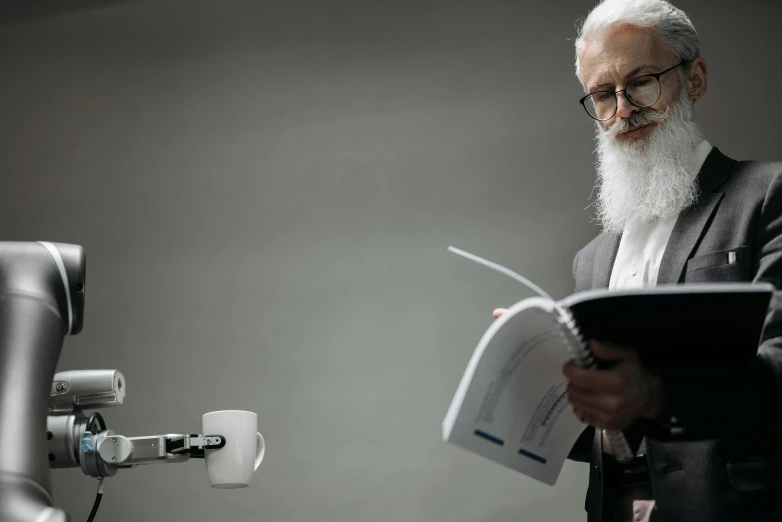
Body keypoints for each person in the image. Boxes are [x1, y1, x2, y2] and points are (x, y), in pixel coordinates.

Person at [494, 1, 782, 521]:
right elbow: (602, 435)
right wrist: (539, 384)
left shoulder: (766, 194)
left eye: (642, 81)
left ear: (694, 78)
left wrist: (655, 397)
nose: (623, 109)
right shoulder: (591, 259)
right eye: (604, 95)